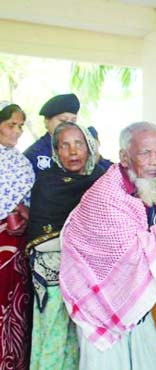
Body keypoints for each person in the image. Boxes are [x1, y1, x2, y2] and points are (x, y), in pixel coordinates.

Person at [59, 122, 156, 369]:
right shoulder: (107, 196)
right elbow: (133, 255)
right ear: (124, 157)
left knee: (150, 359)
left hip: (132, 305)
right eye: (146, 153)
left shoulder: (147, 186)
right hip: (100, 306)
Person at [27, 122, 105, 370]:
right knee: (54, 335)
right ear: (56, 151)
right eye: (65, 145)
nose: (73, 152)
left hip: (92, 278)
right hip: (54, 275)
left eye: (79, 144)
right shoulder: (47, 184)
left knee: (86, 341)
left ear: (89, 147)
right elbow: (41, 239)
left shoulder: (102, 180)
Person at [0, 102, 34, 370]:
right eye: (11, 125)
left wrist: (23, 211)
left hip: (17, 246)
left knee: (15, 307)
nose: (18, 131)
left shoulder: (20, 161)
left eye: (21, 125)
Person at [24, 93, 80, 174]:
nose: (68, 126)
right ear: (47, 121)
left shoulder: (81, 150)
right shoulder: (34, 154)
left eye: (73, 121)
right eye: (63, 120)